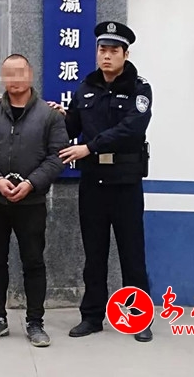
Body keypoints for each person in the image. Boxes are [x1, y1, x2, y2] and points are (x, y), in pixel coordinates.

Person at [51, 21, 154, 342]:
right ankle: (92, 316)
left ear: (126, 54)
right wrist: (60, 117)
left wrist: (90, 147)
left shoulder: (140, 88)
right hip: (93, 183)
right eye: (102, 50)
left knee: (131, 254)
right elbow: (73, 127)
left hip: (125, 182)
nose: (106, 56)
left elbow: (131, 129)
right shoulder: (86, 87)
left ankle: (139, 319)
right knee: (94, 254)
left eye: (113, 50)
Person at [0, 54, 69, 347]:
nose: (14, 79)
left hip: (31, 202)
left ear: (30, 74)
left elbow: (57, 157)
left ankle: (35, 322)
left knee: (33, 262)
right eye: (8, 74)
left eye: (20, 72)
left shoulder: (50, 115)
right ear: (3, 78)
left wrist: (31, 183)